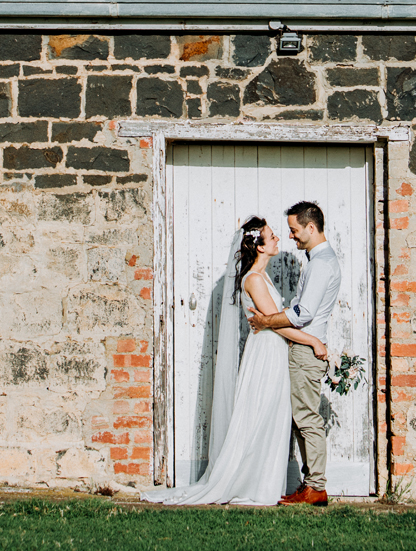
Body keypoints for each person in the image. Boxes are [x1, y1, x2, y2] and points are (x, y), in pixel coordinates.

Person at [141, 216, 327, 507]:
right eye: (272, 236)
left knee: (270, 418)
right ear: (260, 247)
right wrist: (314, 341)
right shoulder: (254, 279)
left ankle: (262, 481)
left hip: (272, 350)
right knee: (261, 417)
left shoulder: (260, 278)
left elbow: (272, 320)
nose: (278, 239)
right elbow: (275, 324)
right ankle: (252, 482)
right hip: (267, 353)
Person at [247, 201, 342, 506]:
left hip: (305, 349)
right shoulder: (317, 261)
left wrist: (266, 321)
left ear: (310, 228)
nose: (291, 237)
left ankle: (315, 486)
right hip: (301, 347)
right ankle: (310, 484)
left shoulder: (322, 263)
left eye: (294, 230)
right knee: (302, 419)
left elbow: (302, 313)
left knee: (306, 419)